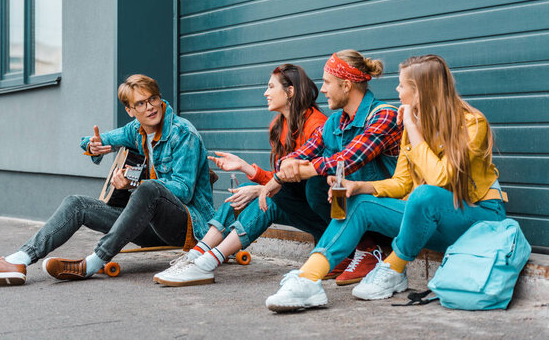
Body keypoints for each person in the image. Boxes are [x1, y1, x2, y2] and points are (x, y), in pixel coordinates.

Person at [265, 55, 508, 312]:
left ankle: (393, 267)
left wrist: (412, 127)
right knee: (360, 203)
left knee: (424, 195)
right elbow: (402, 183)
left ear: (421, 90)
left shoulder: (471, 123)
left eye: (402, 86)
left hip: (477, 219)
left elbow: (439, 181)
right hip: (430, 221)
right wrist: (360, 187)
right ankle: (308, 279)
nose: (397, 91)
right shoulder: (411, 123)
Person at [0, 74, 214, 286]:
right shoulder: (135, 130)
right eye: (141, 104)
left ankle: (92, 263)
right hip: (149, 226)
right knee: (76, 203)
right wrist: (93, 148)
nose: (150, 107)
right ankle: (19, 260)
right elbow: (91, 140)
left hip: (188, 228)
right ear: (130, 110)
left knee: (148, 188)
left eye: (153, 99)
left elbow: (182, 190)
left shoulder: (182, 133)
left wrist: (133, 186)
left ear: (160, 99)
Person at [153, 63, 327, 286]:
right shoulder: (279, 125)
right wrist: (246, 168)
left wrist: (260, 190)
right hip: (298, 204)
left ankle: (206, 264)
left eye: (271, 87)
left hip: (324, 213)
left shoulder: (317, 125)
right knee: (242, 199)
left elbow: (302, 182)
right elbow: (281, 179)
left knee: (267, 200)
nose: (265, 93)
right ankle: (197, 256)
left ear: (290, 91)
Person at [258, 50, 403, 285]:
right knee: (285, 190)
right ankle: (352, 251)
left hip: (386, 208)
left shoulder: (384, 115)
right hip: (354, 206)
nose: (322, 89)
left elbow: (348, 159)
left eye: (327, 82)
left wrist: (302, 170)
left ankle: (372, 250)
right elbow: (303, 152)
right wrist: (280, 174)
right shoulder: (335, 122)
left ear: (346, 85)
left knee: (318, 179)